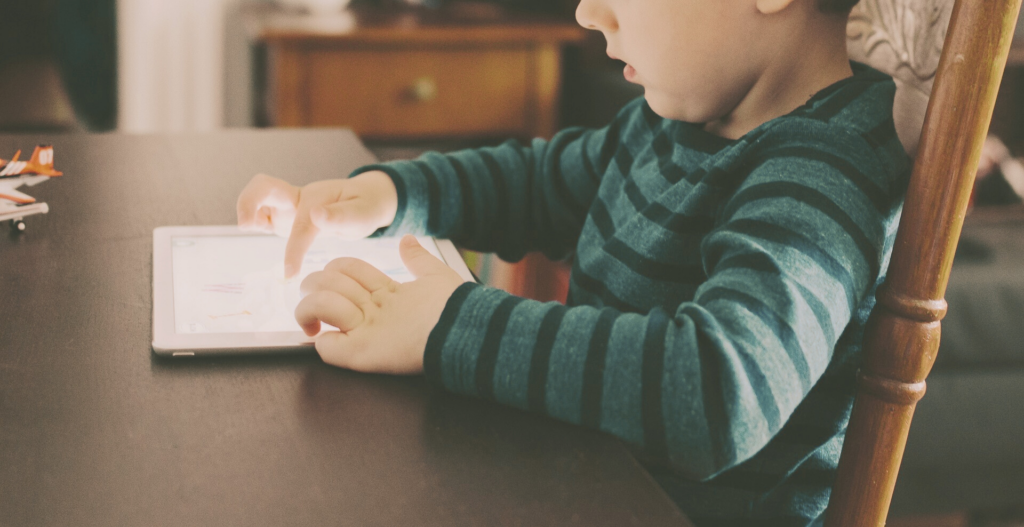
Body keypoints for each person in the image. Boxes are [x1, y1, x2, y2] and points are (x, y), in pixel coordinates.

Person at [235, 0, 910, 523]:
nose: (589, 13)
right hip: (586, 486)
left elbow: (719, 391)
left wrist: (449, 321)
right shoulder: (675, 124)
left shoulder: (823, 172)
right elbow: (535, 184)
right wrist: (387, 194)